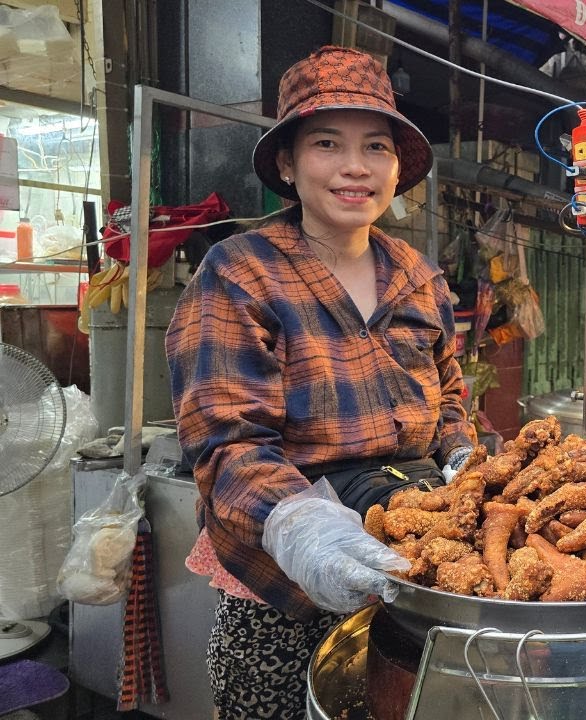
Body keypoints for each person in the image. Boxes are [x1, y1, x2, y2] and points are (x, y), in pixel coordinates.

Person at [166, 46, 476, 719]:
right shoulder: (240, 274)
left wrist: (464, 458)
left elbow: (450, 392)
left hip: (411, 564)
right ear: (287, 162)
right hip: (280, 584)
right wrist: (296, 521)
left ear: (397, 166)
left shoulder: (420, 278)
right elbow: (223, 440)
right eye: (327, 144)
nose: (355, 166)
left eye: (375, 146)